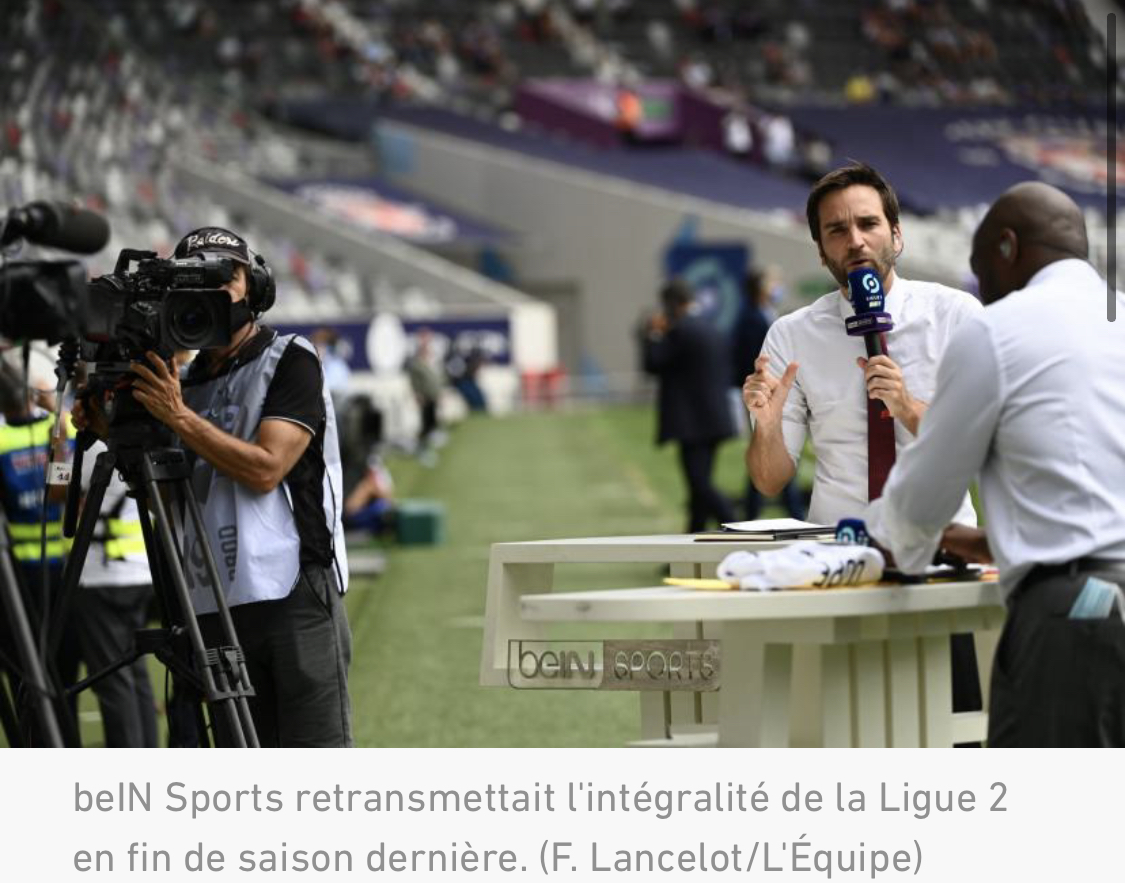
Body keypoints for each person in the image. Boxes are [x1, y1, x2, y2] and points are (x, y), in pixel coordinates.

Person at [865, 182, 1125, 747]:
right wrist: (1001, 539)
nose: (979, 287)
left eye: (979, 268)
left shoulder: (996, 329)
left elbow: (920, 502)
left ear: (1007, 247)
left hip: (1079, 615)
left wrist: (886, 540)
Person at [78, 226, 353, 747]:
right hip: (212, 598)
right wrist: (114, 433)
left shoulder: (290, 358)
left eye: (228, 275)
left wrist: (179, 417)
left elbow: (266, 470)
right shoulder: (182, 382)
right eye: (198, 278)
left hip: (294, 590)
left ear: (256, 286)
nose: (216, 287)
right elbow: (175, 502)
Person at [740, 162, 983, 721]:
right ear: (820, 250)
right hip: (838, 558)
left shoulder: (955, 317)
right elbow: (770, 479)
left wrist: (909, 408)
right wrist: (767, 426)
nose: (855, 241)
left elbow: (983, 447)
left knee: (954, 735)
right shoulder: (791, 335)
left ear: (896, 234)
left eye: (868, 224)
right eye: (836, 230)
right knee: (843, 733)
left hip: (941, 554)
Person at [0, 361, 78, 744]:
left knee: (24, 672)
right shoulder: (60, 428)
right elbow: (63, 487)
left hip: (17, 576)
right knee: (64, 673)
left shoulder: (3, 441)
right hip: (62, 568)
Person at [73, 436, 158, 748]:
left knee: (113, 679)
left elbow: (58, 491)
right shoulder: (149, 442)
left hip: (102, 577)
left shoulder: (94, 449)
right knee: (136, 673)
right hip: (141, 572)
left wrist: (57, 450)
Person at [642, 279, 736, 533]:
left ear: (672, 303)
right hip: (716, 418)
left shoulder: (681, 330)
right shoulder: (712, 327)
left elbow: (653, 363)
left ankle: (735, 525)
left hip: (693, 424)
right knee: (699, 487)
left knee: (700, 485)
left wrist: (653, 334)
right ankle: (693, 538)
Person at [729, 267, 803, 520]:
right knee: (773, 446)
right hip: (762, 394)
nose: (777, 286)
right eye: (773, 282)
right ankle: (793, 511)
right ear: (761, 287)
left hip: (777, 392)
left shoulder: (765, 313)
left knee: (774, 448)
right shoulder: (750, 318)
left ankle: (757, 510)